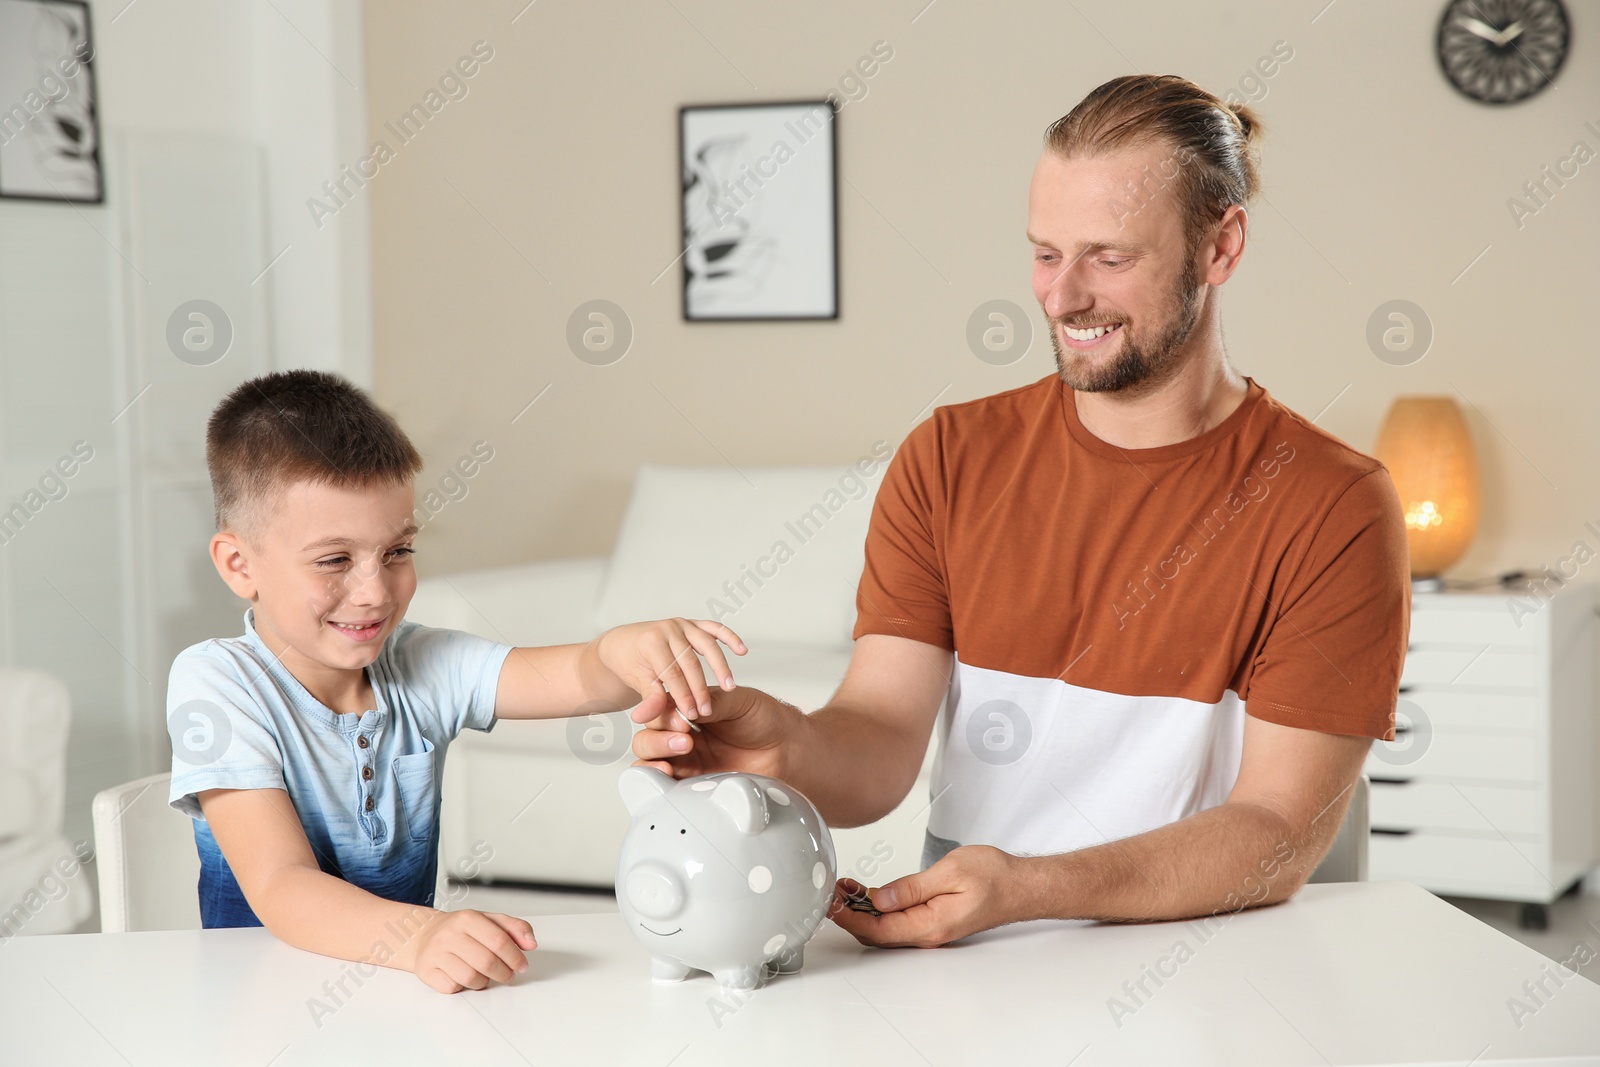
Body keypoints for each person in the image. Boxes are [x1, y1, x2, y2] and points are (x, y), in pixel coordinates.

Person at [631, 74, 1409, 948]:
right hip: (972, 953)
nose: (1062, 295)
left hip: (1206, 958)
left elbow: (1279, 831)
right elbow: (881, 739)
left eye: (1110, 258)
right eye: (1045, 252)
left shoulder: (1333, 503)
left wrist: (1031, 887)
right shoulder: (951, 456)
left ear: (1221, 246)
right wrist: (782, 749)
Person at [167, 370, 744, 992]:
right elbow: (281, 884)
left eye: (397, 552)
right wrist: (419, 937)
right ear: (238, 564)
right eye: (334, 560)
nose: (375, 591)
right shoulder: (218, 681)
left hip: (396, 995)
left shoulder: (421, 664)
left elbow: (571, 677)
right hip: (259, 1002)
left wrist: (620, 650)